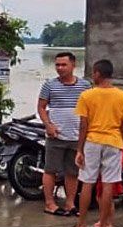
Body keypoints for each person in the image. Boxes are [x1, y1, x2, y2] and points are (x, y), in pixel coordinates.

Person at [74, 60, 123, 227]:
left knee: (87, 182)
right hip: (114, 143)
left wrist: (79, 149)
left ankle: (81, 224)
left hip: (92, 141)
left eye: (93, 73)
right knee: (108, 184)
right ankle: (103, 225)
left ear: (98, 73)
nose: (93, 76)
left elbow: (83, 125)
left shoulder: (87, 96)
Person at [37, 51, 91, 216]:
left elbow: (90, 110)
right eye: (57, 65)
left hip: (77, 137)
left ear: (73, 65)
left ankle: (69, 203)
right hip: (56, 136)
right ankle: (49, 203)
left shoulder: (85, 86)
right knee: (50, 170)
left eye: (63, 65)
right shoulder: (49, 85)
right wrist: (48, 125)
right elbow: (41, 107)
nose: (60, 68)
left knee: (72, 172)